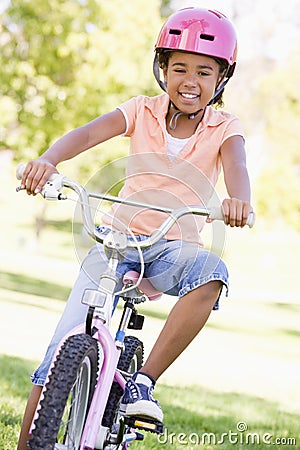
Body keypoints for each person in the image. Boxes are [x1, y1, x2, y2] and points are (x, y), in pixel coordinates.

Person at [17, 7, 253, 449]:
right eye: (179, 67)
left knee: (212, 275)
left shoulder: (225, 127)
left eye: (204, 71)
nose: (190, 80)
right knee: (60, 348)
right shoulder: (141, 110)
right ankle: (26, 443)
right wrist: (49, 160)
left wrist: (239, 199)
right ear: (162, 68)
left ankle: (143, 381)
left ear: (222, 77)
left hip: (171, 247)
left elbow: (236, 164)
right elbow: (87, 135)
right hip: (116, 242)